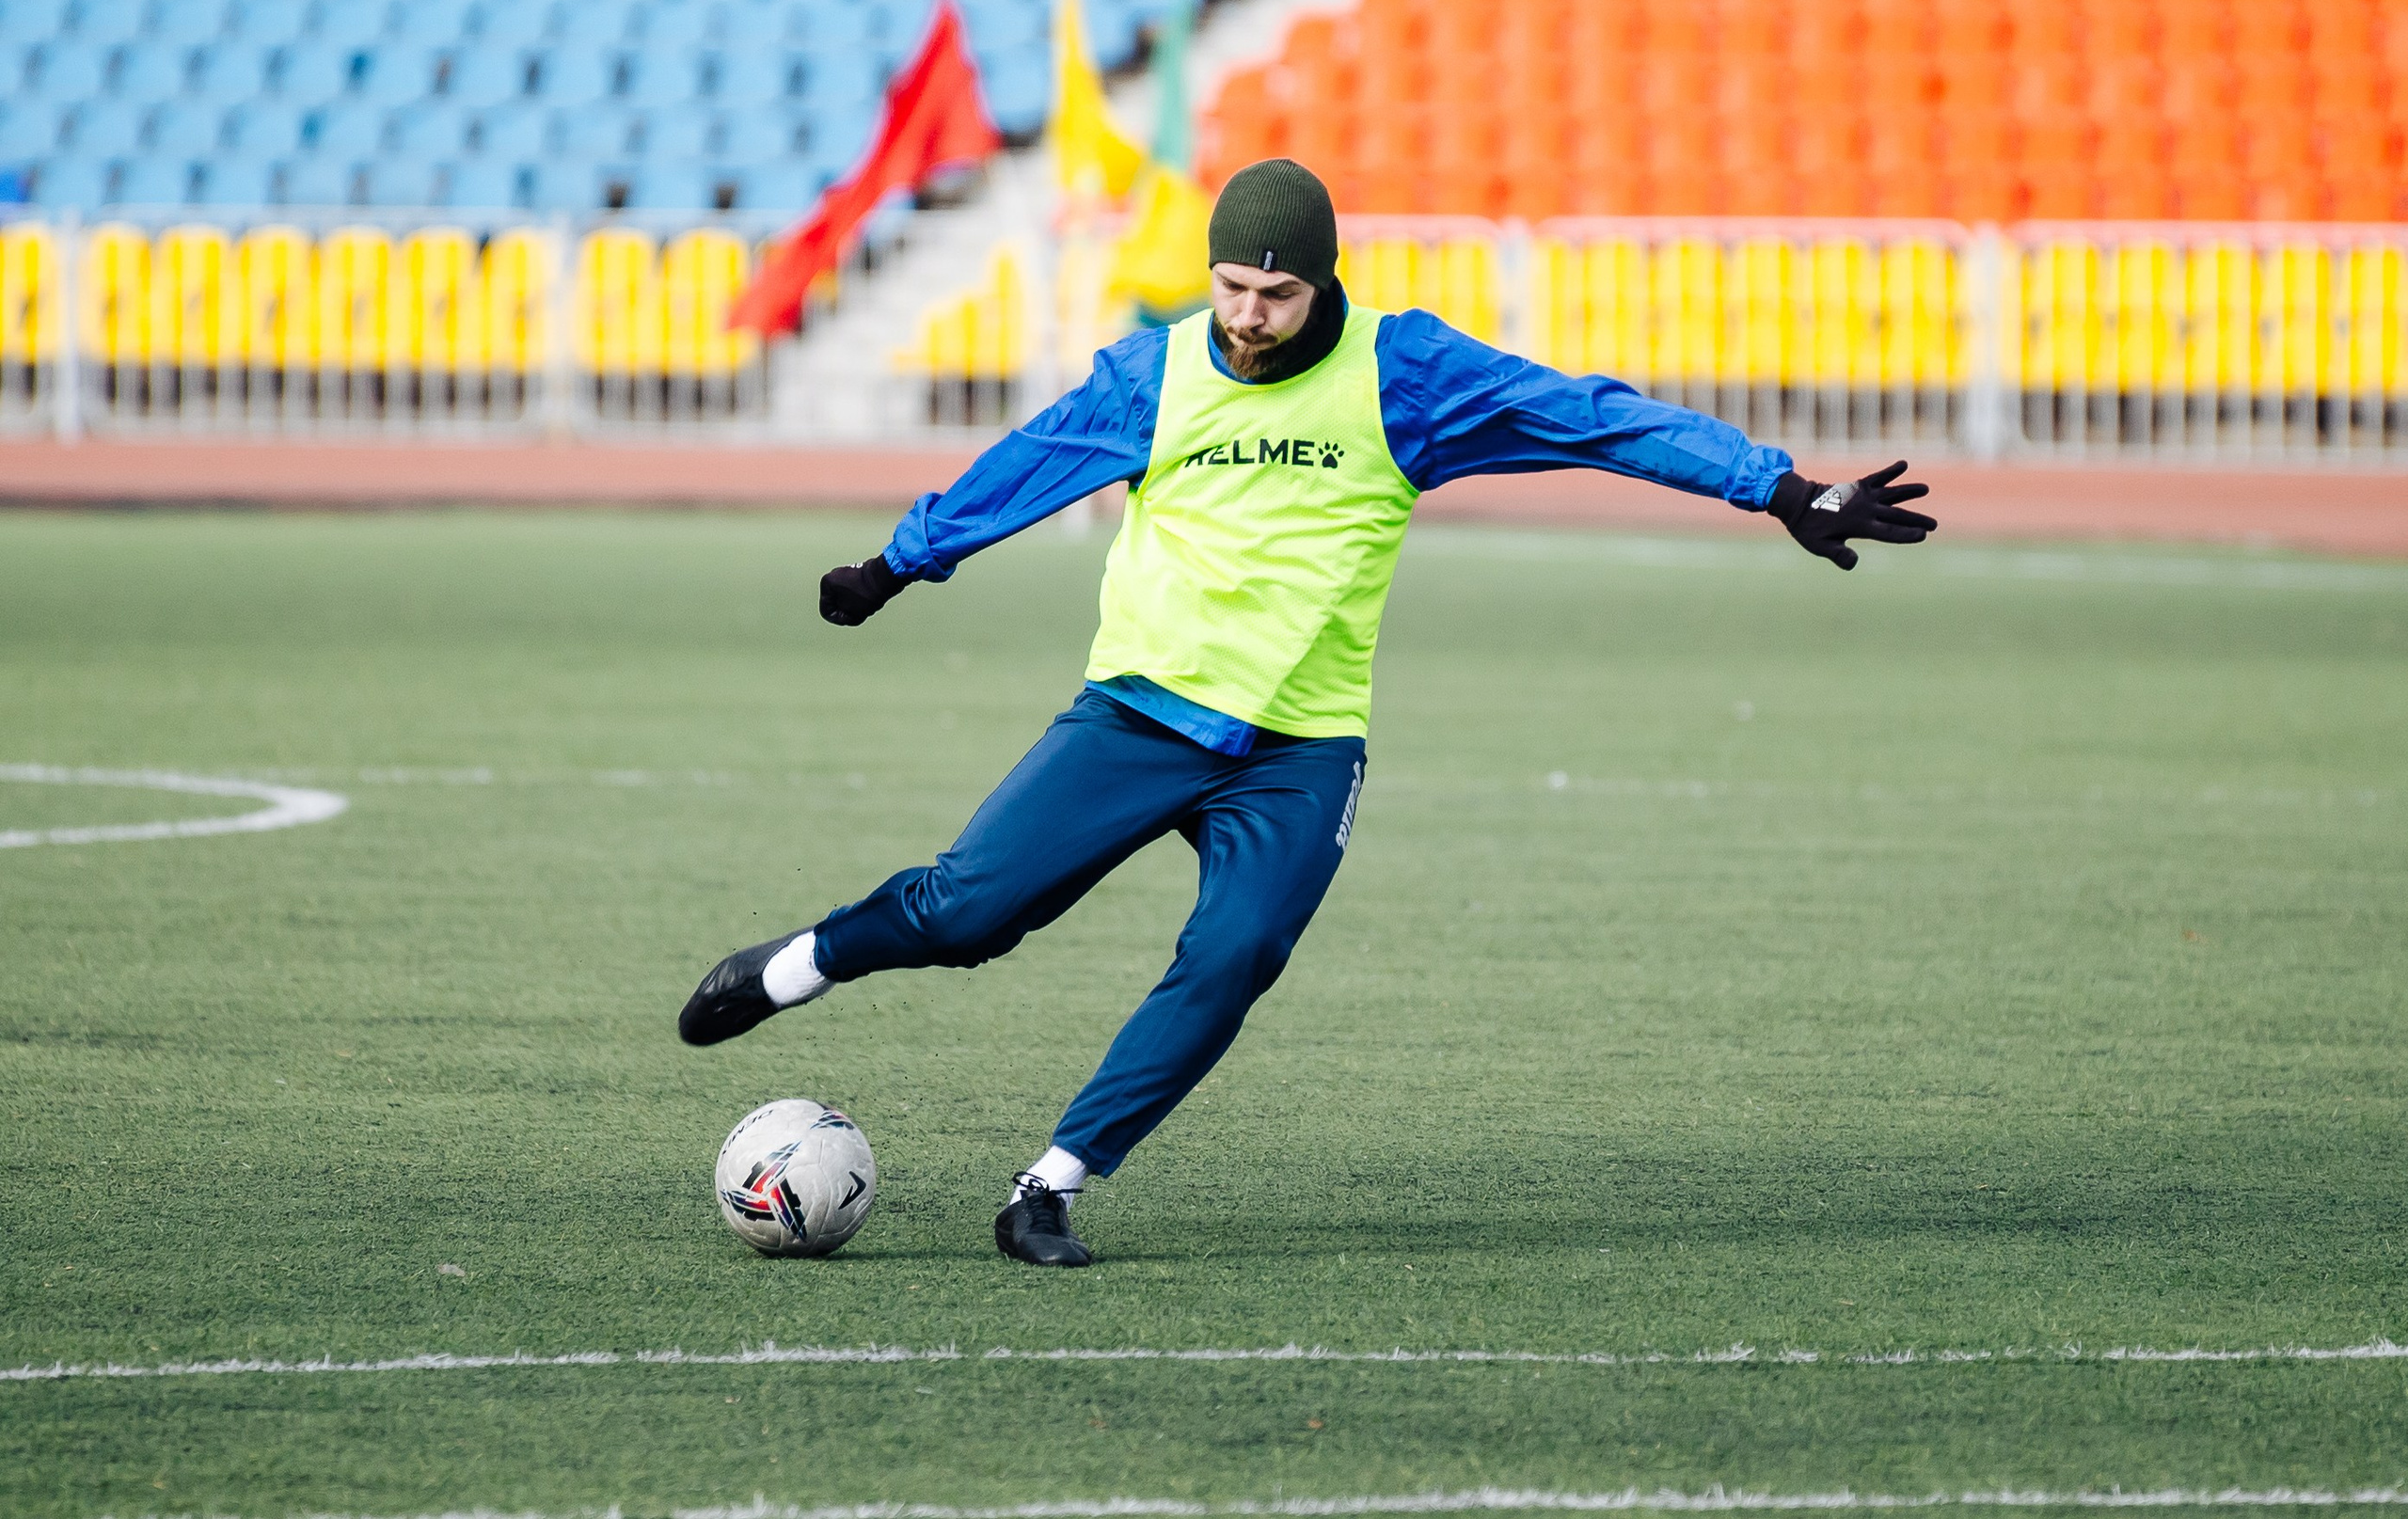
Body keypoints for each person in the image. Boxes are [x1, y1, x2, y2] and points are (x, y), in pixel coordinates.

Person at [678, 158, 1936, 1267]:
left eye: (1276, 295)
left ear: (1324, 281)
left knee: (1233, 956)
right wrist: (899, 565)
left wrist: (1778, 487)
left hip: (1299, 750)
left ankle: (1049, 1186)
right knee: (968, 917)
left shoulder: (1408, 375)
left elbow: (1593, 416)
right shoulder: (1156, 372)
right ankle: (791, 967)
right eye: (1231, 287)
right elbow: (1032, 463)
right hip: (1138, 713)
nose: (1248, 316)